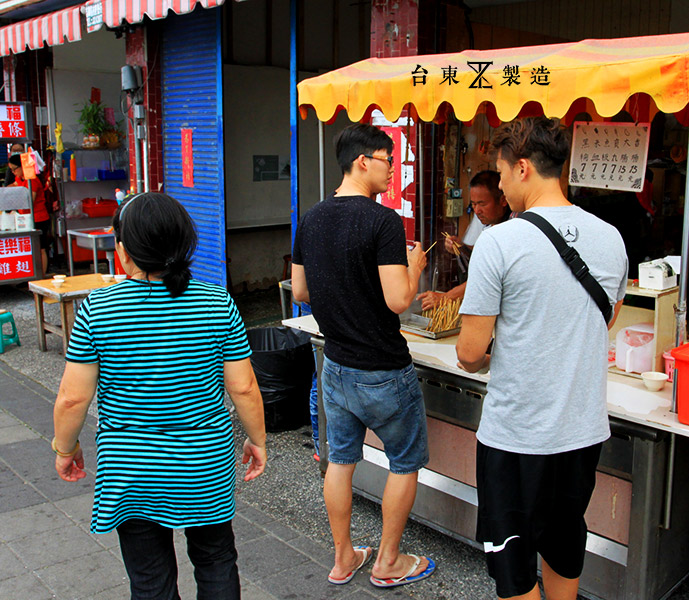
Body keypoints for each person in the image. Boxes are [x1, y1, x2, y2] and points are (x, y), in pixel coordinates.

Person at [53, 192, 267, 599]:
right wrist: (257, 440)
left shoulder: (97, 309)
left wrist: (65, 448)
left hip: (130, 470)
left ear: (123, 251)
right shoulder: (216, 302)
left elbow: (71, 399)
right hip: (202, 463)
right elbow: (243, 386)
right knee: (216, 559)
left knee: (150, 580)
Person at [456, 117, 628, 600]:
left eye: (502, 174)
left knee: (513, 568)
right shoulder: (611, 238)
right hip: (582, 433)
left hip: (516, 437)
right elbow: (606, 319)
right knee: (563, 541)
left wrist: (492, 352)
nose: (502, 185)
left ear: (524, 168)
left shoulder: (500, 241)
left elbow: (470, 353)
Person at [292, 123, 436, 589]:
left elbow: (300, 290)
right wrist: (414, 269)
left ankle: (342, 558)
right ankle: (388, 561)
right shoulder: (383, 222)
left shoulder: (310, 219)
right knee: (404, 461)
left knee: (341, 460)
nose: (392, 168)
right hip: (384, 370)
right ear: (362, 162)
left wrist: (343, 302)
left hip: (334, 364)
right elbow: (398, 301)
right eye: (386, 160)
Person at [417, 170, 510, 310]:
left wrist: (446, 297)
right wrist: (462, 247)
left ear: (503, 200)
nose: (477, 211)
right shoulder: (489, 223)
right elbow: (483, 256)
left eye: (482, 204)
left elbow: (484, 278)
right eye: (473, 204)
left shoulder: (511, 229)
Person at [9, 152, 54, 272]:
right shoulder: (19, 178)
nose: (13, 172)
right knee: (30, 248)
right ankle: (31, 274)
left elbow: (30, 201)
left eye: (14, 169)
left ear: (22, 166)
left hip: (39, 219)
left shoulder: (32, 180)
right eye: (11, 170)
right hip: (25, 219)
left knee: (41, 248)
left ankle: (41, 276)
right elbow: (14, 185)